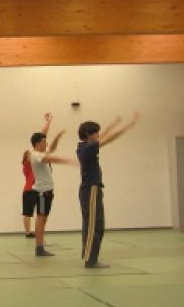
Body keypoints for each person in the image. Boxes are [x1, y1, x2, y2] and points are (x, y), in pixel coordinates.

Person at [77, 113, 140, 268]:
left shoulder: (85, 147)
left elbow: (103, 136)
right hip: (91, 189)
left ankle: (90, 257)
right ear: (88, 134)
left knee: (93, 224)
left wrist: (113, 124)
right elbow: (107, 139)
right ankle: (91, 260)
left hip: (91, 189)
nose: (98, 135)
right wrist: (127, 126)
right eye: (95, 132)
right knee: (94, 225)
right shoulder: (87, 148)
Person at [27, 113, 74, 257]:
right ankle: (39, 248)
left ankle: (40, 246)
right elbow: (50, 156)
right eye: (44, 142)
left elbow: (49, 145)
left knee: (43, 219)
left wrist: (51, 126)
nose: (46, 144)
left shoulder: (40, 151)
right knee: (41, 219)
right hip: (41, 193)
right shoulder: (35, 155)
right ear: (37, 143)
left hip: (47, 193)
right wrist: (67, 161)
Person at [21, 150, 35, 238]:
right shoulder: (27, 163)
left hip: (31, 190)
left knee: (29, 213)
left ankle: (29, 232)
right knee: (27, 213)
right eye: (30, 154)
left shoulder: (31, 165)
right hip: (29, 190)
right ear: (26, 157)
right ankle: (28, 232)